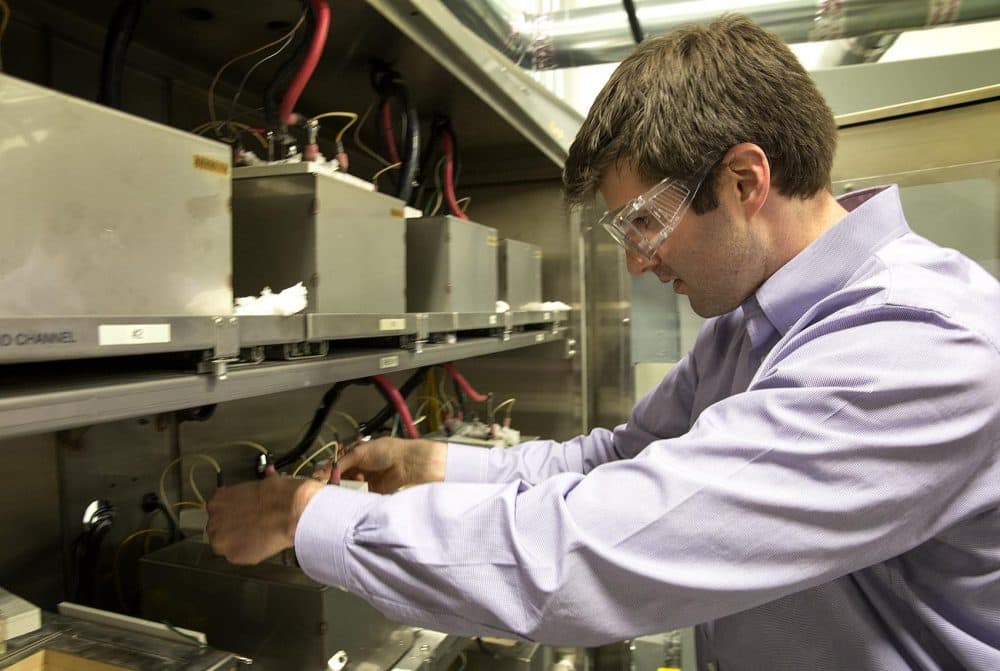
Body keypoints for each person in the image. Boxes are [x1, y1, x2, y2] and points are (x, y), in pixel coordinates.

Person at [207, 14, 1000, 669]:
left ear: (745, 181)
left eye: (646, 222)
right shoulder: (751, 325)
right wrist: (434, 463)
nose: (637, 260)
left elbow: (591, 551)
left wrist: (307, 517)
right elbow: (617, 460)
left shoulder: (916, 342)